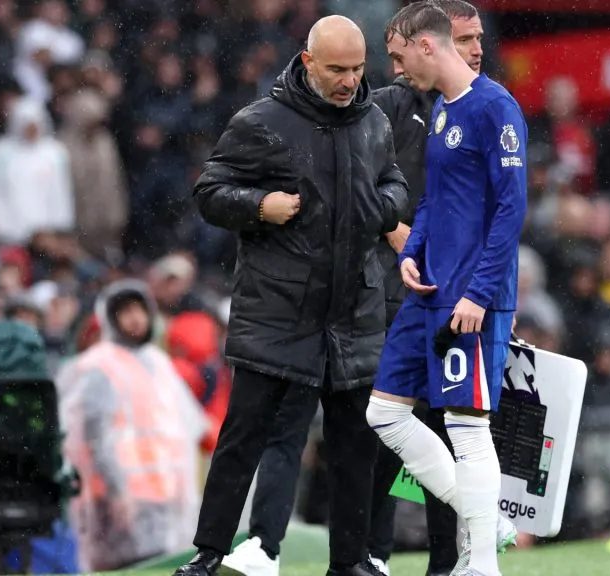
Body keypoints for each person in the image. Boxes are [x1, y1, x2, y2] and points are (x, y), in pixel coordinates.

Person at [217, 3, 490, 576]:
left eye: (478, 39)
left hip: (453, 294)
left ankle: (447, 562)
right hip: (377, 293)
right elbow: (355, 180)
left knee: (442, 428)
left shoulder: (488, 112)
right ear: (435, 43)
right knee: (376, 427)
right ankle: (365, 552)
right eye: (465, 39)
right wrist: (393, 228)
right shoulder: (387, 107)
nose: (476, 50)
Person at [173, 14, 407, 576]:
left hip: (352, 314)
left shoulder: (373, 122)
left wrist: (379, 210)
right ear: (308, 63)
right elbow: (209, 191)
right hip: (278, 313)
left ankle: (349, 563)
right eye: (337, 69)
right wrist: (259, 207)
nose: (350, 80)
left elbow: (394, 184)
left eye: (356, 68)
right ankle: (207, 556)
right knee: (242, 441)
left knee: (355, 449)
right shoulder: (261, 122)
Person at [366, 3, 528, 576]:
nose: (396, 66)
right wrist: (411, 255)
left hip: (470, 300)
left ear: (426, 45)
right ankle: (489, 521)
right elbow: (434, 198)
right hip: (429, 291)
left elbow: (512, 209)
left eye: (398, 53)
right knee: (383, 414)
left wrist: (480, 294)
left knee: (465, 425)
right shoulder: (441, 112)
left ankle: (480, 564)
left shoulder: (495, 108)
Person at [58, 280, 208, 571]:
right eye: (126, 311)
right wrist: (118, 494)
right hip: (118, 499)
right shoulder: (99, 366)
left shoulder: (158, 362)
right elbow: (95, 438)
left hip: (164, 496)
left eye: (139, 309)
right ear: (110, 318)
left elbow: (188, 425)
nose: (135, 318)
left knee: (163, 569)